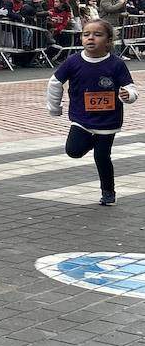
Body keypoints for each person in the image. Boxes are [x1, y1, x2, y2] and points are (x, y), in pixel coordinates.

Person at [48, 19, 137, 206]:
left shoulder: (116, 64)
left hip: (108, 121)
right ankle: (90, 140)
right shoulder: (73, 61)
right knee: (73, 151)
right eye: (86, 34)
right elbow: (55, 82)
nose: (91, 38)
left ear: (108, 41)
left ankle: (108, 192)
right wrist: (55, 108)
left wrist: (128, 95)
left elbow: (130, 87)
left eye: (97, 35)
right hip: (81, 119)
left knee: (102, 157)